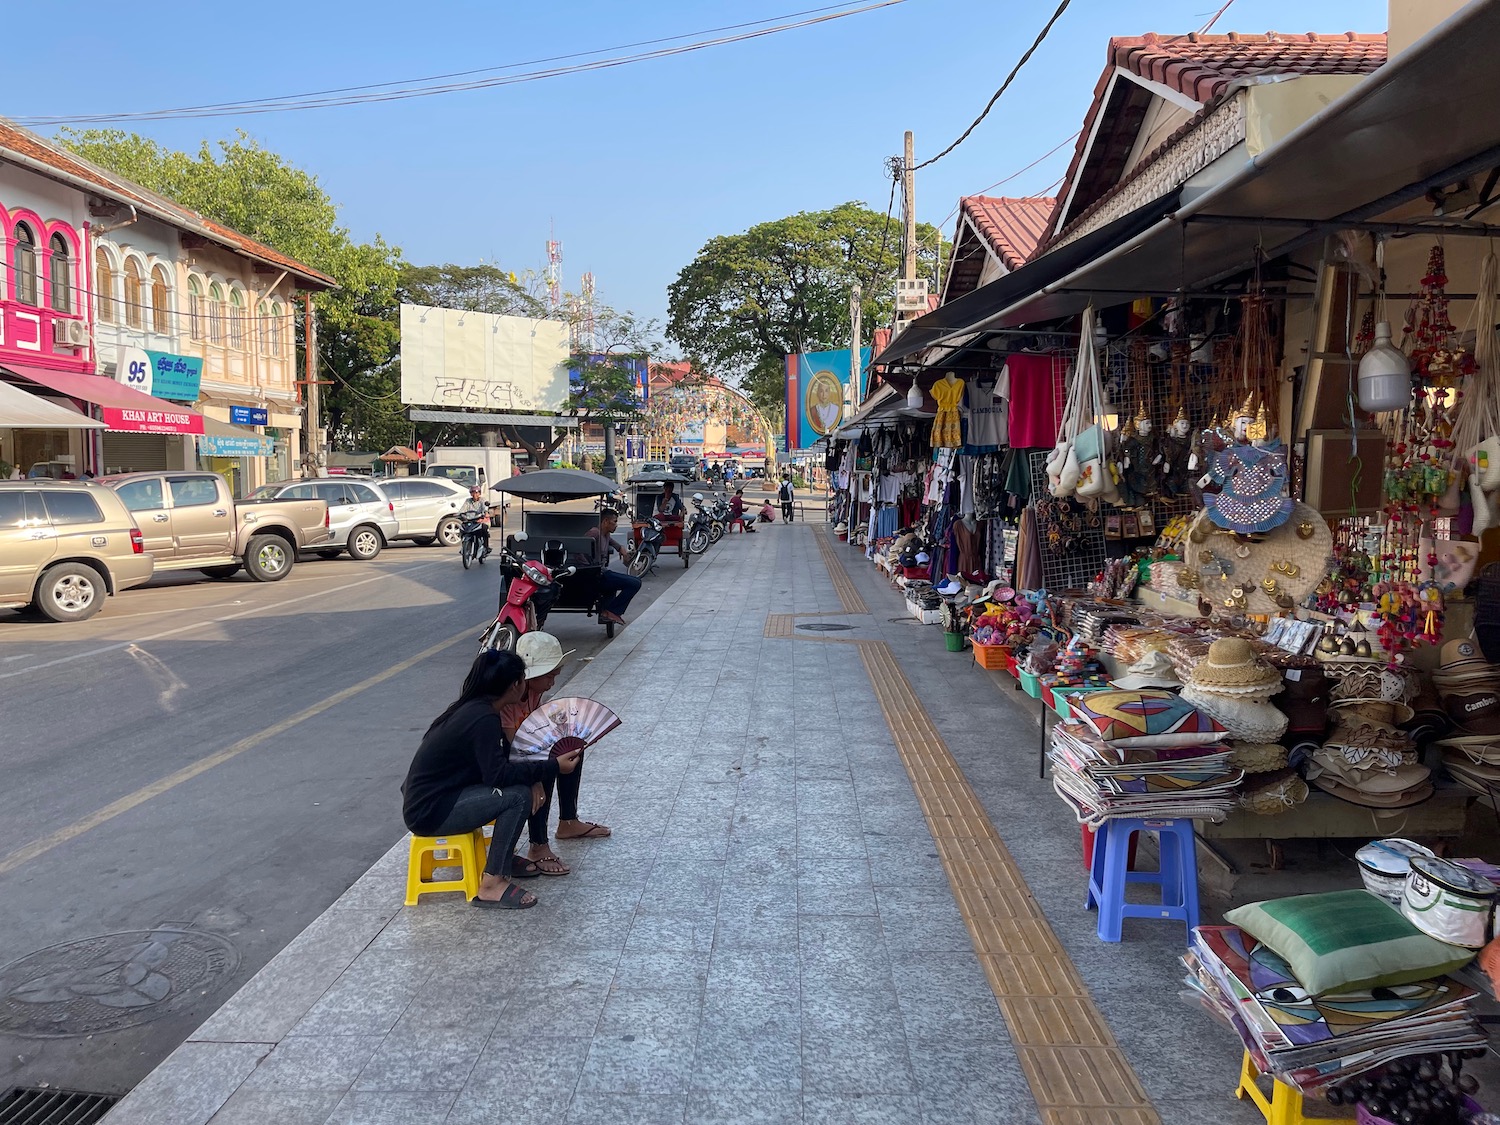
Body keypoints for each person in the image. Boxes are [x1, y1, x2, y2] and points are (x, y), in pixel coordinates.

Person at [400, 649, 581, 910]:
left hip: (441, 797)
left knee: (521, 787)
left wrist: (538, 775)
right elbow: (497, 775)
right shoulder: (482, 717)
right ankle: (492, 884)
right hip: (431, 812)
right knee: (517, 797)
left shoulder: (475, 709)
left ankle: (502, 860)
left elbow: (502, 762)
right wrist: (552, 767)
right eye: (522, 679)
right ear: (514, 685)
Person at [500, 632, 610, 878]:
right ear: (531, 675)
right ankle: (538, 846)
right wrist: (536, 777)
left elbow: (534, 731)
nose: (552, 682)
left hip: (518, 755)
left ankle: (568, 821)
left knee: (570, 749)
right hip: (501, 762)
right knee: (549, 765)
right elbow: (512, 746)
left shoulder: (532, 691)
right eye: (549, 676)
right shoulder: (510, 698)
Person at [586, 507, 641, 626]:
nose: (616, 525)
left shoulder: (606, 535)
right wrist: (588, 567)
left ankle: (609, 612)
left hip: (602, 573)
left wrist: (621, 548)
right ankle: (611, 611)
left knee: (633, 581)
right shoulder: (595, 533)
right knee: (635, 583)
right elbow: (580, 551)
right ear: (605, 521)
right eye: (615, 521)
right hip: (595, 575)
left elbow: (615, 544)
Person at [459, 485, 494, 554]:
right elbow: (462, 510)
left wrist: (485, 513)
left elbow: (485, 508)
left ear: (479, 493)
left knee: (484, 529)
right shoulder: (468, 501)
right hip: (470, 520)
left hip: (481, 520)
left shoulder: (483, 500)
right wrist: (460, 514)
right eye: (472, 492)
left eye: (476, 492)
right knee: (462, 529)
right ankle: (464, 546)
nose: (475, 494)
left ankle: (486, 547)